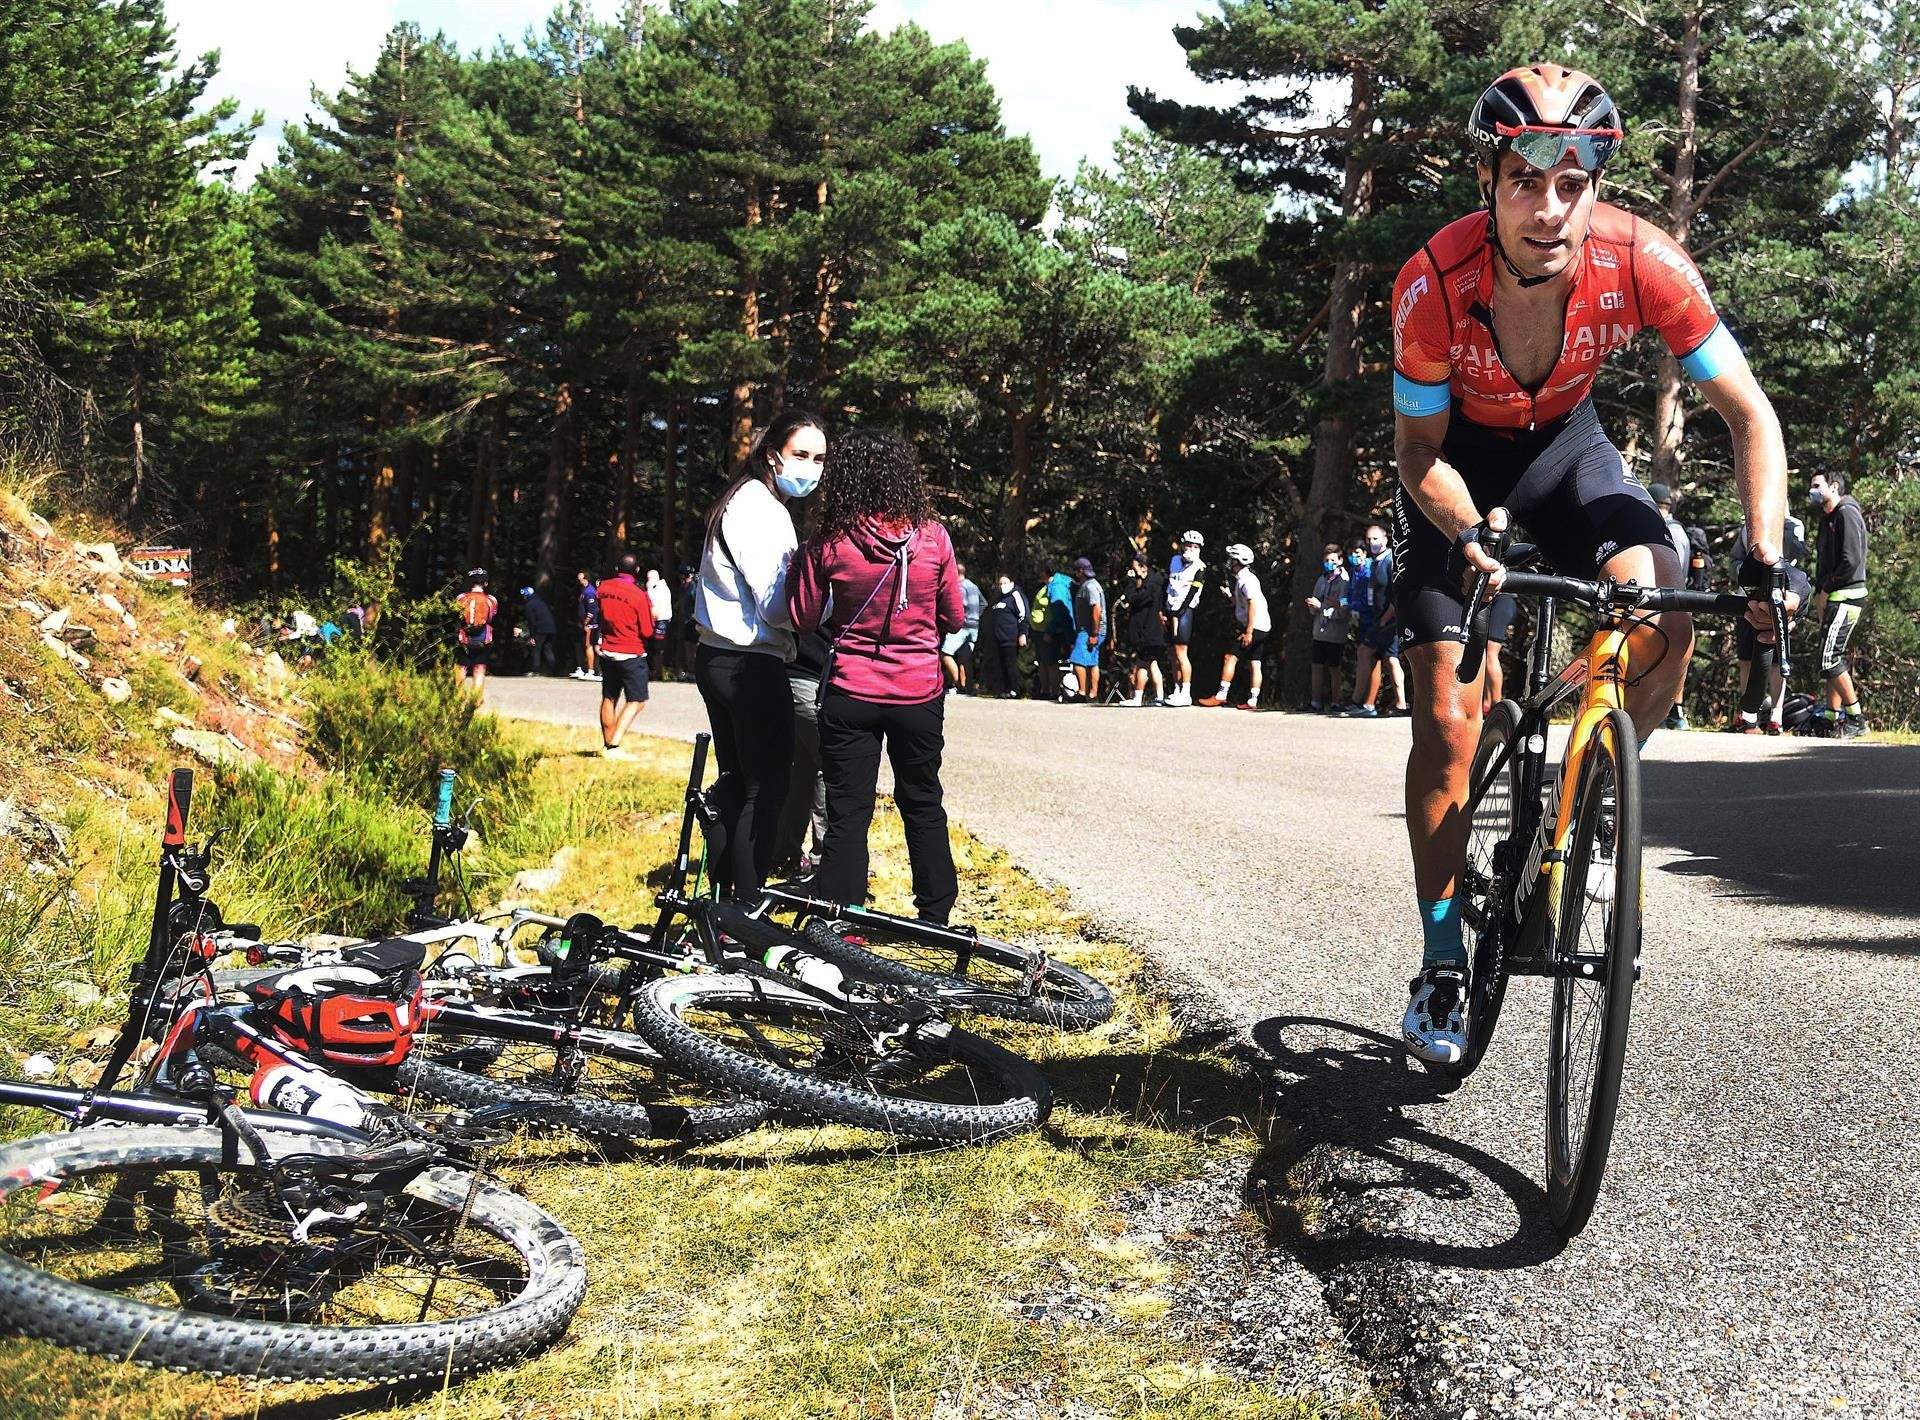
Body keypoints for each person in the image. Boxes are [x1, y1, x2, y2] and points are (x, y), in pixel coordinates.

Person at [1388, 64, 1800, 1063]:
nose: (1550, 207)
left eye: (1573, 183)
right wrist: (1472, 540)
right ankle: (1443, 961)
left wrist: (1764, 557)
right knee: (1449, 719)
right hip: (1458, 466)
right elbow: (1415, 458)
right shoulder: (1433, 281)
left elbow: (1751, 414)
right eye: (1527, 180)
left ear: (1597, 188)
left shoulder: (1643, 258)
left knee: (1664, 610)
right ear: (1488, 180)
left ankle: (1605, 777)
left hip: (1570, 452)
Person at [788, 429, 965, 923]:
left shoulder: (830, 541)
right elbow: (952, 616)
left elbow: (802, 618)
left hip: (851, 689)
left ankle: (844, 920)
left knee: (848, 810)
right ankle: (935, 914)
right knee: (923, 800)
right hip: (918, 691)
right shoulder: (934, 537)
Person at [694, 409, 825, 900]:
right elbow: (777, 605)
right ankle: (743, 906)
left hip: (723, 658)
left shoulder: (750, 501)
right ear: (773, 455)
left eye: (819, 458)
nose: (810, 467)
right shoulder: (760, 510)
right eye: (801, 455)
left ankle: (725, 901)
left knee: (736, 780)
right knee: (766, 786)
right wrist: (824, 604)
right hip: (750, 661)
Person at [1730, 514, 1807, 734]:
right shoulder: (1748, 524)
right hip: (1747, 599)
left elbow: (1797, 556)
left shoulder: (1794, 525)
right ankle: (1748, 715)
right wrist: (1747, 574)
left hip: (1780, 599)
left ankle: (1776, 714)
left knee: (1776, 662)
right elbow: (1734, 559)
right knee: (1746, 659)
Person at [1808, 468, 1869, 738]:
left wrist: (1828, 588)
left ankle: (1856, 717)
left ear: (1833, 487)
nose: (1813, 490)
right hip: (1832, 596)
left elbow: (1850, 560)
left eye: (1817, 485)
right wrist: (1820, 590)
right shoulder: (1828, 518)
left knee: (1829, 658)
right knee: (1832, 657)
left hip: (1846, 595)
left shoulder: (1846, 513)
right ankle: (1831, 717)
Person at [773, 627, 831, 876]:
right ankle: (824, 858)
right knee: (829, 769)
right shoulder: (824, 589)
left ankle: (785, 854)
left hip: (792, 677)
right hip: (808, 677)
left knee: (802, 772)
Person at [595, 553, 654, 758]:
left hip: (607, 650)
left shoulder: (603, 588)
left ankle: (606, 743)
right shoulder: (639, 595)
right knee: (637, 700)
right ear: (637, 571)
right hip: (631, 652)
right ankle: (614, 744)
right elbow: (647, 631)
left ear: (617, 569)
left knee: (609, 697)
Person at [1197, 544, 1268, 708]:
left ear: (1238, 561)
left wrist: (1249, 631)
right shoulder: (1244, 579)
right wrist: (1230, 596)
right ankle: (1253, 700)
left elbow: (1252, 605)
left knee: (1230, 656)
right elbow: (1242, 604)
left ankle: (1221, 695)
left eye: (1232, 560)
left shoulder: (1246, 581)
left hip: (1254, 626)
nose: (1230, 563)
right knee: (1255, 661)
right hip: (1263, 625)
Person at [1345, 523, 1405, 717]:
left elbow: (1398, 596)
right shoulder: (1375, 562)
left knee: (1391, 660)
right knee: (1368, 653)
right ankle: (1363, 703)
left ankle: (1401, 705)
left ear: (1386, 539)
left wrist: (1385, 618)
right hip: (1376, 620)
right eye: (1369, 539)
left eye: (1376, 539)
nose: (1372, 543)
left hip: (1389, 621)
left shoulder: (1390, 561)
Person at [1649, 482, 1695, 729]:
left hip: (1667, 599)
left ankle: (1670, 712)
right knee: (1673, 658)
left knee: (1663, 659)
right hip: (1679, 598)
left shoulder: (1669, 532)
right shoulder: (1680, 531)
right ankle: (1673, 712)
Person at [1305, 543, 1351, 712]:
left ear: (1340, 560)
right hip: (1319, 632)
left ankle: (1335, 702)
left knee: (1334, 668)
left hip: (1335, 634)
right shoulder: (1322, 579)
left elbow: (1343, 610)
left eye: (1333, 560)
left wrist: (1323, 608)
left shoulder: (1345, 582)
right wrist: (1313, 606)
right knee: (1316, 666)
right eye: (1326, 560)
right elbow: (1315, 603)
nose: (1329, 563)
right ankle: (1315, 702)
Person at [1119, 550, 1168, 706]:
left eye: (1135, 569)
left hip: (1150, 631)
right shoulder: (1142, 582)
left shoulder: (1154, 583)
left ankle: (1148, 697)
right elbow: (1127, 598)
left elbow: (1137, 598)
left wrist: (1135, 582)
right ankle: (1148, 697)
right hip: (1143, 631)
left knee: (1146, 663)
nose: (1132, 572)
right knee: (1147, 664)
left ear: (1143, 567)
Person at [1164, 532, 1206, 706]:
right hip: (1169, 607)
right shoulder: (1174, 561)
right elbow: (1168, 584)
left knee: (1182, 652)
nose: (1191, 549)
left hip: (1184, 610)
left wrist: (1181, 609)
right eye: (1188, 545)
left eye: (1195, 547)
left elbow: (1194, 591)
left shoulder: (1200, 567)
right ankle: (1176, 688)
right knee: (1172, 654)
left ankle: (1186, 691)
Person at [942, 562, 984, 695]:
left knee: (945, 654)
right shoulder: (973, 586)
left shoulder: (959, 587)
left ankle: (957, 684)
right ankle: (968, 687)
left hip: (963, 626)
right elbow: (983, 603)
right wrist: (976, 615)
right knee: (965, 658)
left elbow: (959, 605)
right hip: (974, 626)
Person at [1068, 558, 1106, 702]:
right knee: (1092, 661)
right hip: (1090, 630)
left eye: (1077, 571)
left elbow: (1096, 609)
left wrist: (1094, 633)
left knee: (1077, 659)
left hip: (1090, 630)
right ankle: (1092, 694)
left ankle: (1082, 691)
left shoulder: (1090, 587)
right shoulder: (1089, 585)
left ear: (1081, 571)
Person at [453, 569, 498, 690]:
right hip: (484, 638)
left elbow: (456, 616)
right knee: (479, 667)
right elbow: (491, 617)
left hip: (464, 638)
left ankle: (457, 696)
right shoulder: (491, 600)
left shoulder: (461, 598)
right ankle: (476, 699)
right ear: (486, 583)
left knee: (461, 666)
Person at [986, 573, 1028, 697]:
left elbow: (1023, 615)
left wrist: (1023, 634)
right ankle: (1002, 690)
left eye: (1005, 583)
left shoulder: (1015, 595)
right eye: (1000, 583)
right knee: (1000, 664)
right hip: (997, 638)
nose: (1002, 586)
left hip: (1010, 637)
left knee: (1011, 664)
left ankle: (1015, 690)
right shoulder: (998, 598)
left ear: (1011, 583)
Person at [1038, 568, 1077, 699]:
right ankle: (1057, 692)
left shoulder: (1057, 587)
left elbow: (1060, 612)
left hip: (1060, 631)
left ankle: (1056, 693)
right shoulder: (1055, 585)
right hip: (1063, 630)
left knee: (1052, 662)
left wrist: (1050, 631)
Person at [1481, 593, 1518, 711]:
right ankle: (1486, 703)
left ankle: (1498, 706)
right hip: (1493, 601)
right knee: (1483, 653)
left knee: (1490, 654)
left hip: (1503, 601)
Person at [519, 585, 556, 676]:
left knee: (536, 648)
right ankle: (552, 670)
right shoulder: (541, 602)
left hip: (540, 629)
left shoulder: (529, 605)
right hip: (551, 628)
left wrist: (532, 636)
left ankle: (535, 670)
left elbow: (532, 621)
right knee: (547, 648)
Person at [645, 568, 673, 682]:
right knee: (654, 647)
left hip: (660, 620)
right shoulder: (657, 587)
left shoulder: (660, 588)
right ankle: (654, 671)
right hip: (657, 620)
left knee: (658, 648)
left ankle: (657, 672)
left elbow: (653, 604)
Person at [572, 571, 600, 681]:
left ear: (586, 578)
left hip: (591, 624)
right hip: (584, 623)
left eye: (581, 577)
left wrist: (586, 622)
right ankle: (585, 669)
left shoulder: (589, 592)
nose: (578, 579)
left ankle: (592, 671)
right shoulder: (583, 590)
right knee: (586, 645)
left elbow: (592, 610)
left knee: (590, 646)